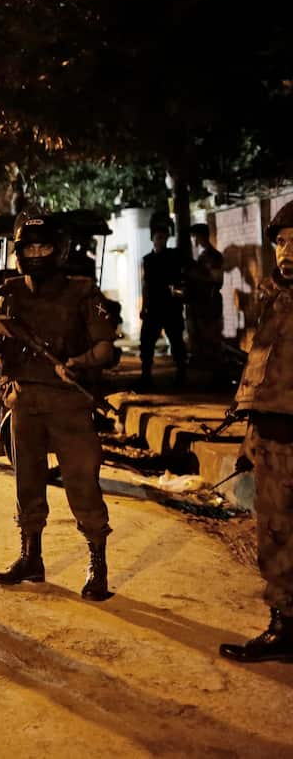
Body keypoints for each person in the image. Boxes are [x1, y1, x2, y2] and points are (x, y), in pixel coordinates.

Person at [0, 214, 118, 601]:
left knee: (82, 484)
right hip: (23, 400)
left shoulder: (81, 291)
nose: (36, 254)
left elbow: (105, 348)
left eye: (43, 246)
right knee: (27, 483)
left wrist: (80, 362)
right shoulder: (9, 292)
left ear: (59, 251)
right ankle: (31, 558)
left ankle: (97, 565)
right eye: (29, 247)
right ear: (19, 252)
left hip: (68, 402)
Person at [220, 200, 293, 663]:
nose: (287, 252)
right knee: (276, 534)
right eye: (282, 242)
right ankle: (284, 626)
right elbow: (260, 370)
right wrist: (252, 430)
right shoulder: (276, 300)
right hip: (272, 436)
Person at [139, 223, 187, 388]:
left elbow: (183, 276)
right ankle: (146, 375)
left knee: (176, 341)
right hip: (154, 306)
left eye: (164, 238)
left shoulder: (173, 256)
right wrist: (143, 306)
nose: (161, 241)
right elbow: (145, 284)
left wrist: (180, 293)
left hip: (171, 306)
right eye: (159, 237)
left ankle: (181, 374)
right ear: (152, 239)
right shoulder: (148, 260)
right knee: (146, 342)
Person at [185, 222, 226, 378]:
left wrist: (196, 275)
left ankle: (217, 376)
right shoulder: (200, 256)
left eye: (195, 236)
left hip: (209, 304)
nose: (193, 240)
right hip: (198, 304)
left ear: (202, 236)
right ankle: (208, 375)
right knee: (199, 341)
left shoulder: (213, 256)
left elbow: (217, 279)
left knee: (211, 340)